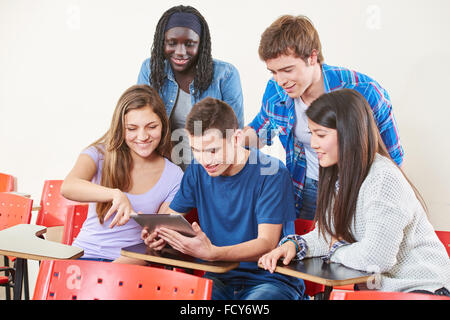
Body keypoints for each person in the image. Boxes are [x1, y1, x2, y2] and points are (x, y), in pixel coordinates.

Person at [259, 89, 450, 295]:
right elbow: (328, 237)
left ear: (348, 134)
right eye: (311, 133)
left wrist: (337, 250)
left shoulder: (383, 178)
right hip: (378, 292)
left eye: (321, 135)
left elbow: (377, 257)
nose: (313, 144)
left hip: (422, 290)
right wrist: (295, 245)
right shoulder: (339, 177)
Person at [141, 97, 305, 300]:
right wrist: (158, 232)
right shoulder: (196, 171)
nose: (205, 160)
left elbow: (267, 243)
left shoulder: (271, 172)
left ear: (236, 139)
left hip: (271, 280)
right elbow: (172, 218)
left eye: (212, 150)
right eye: (196, 150)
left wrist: (213, 253)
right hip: (219, 279)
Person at [243, 15, 404, 220]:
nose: (280, 80)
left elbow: (393, 159)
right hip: (305, 187)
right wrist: (230, 142)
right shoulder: (275, 91)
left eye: (287, 70)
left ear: (312, 57)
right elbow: (261, 131)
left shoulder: (364, 92)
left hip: (356, 190)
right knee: (309, 247)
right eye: (273, 72)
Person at [61, 85, 183, 262]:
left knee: (111, 280)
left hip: (131, 262)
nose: (142, 136)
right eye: (132, 128)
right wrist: (114, 194)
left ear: (163, 125)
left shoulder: (174, 175)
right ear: (120, 128)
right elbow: (68, 186)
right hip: (84, 254)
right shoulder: (98, 155)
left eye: (151, 126)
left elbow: (163, 230)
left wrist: (158, 238)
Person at [137, 5, 244, 170]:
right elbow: (138, 123)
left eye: (190, 44)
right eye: (171, 43)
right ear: (161, 42)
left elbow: (235, 134)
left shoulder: (226, 75)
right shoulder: (150, 70)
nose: (180, 52)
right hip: (164, 170)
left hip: (209, 171)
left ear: (201, 45)